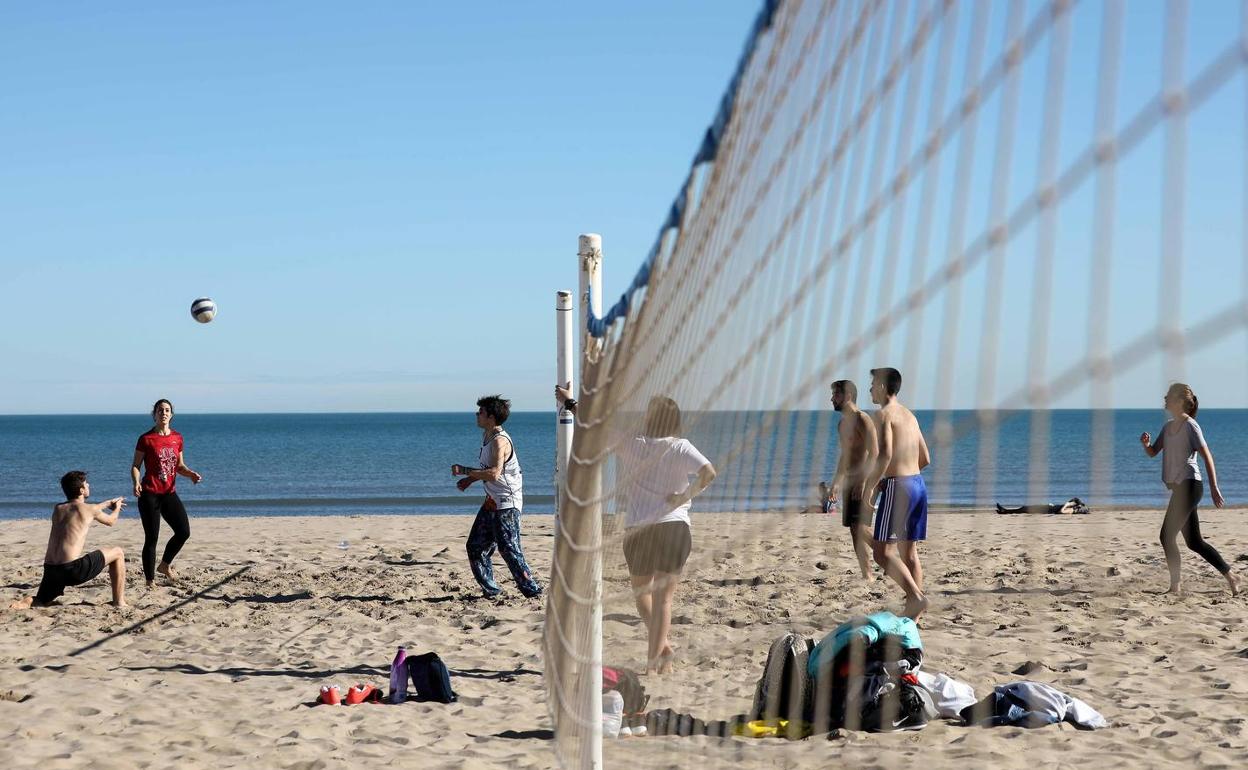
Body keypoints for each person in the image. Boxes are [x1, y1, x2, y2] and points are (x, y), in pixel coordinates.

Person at [615, 396, 716, 675]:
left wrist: (571, 404)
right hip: (673, 527)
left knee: (642, 596)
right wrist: (684, 496)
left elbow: (594, 426)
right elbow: (709, 473)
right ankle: (662, 650)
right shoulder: (680, 446)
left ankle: (653, 662)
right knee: (662, 600)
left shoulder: (631, 442)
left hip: (638, 529)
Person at [1140, 383, 1239, 596]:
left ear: (1178, 401)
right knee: (1195, 542)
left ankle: (1175, 587)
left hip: (1191, 485)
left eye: (1168, 396)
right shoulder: (1168, 427)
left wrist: (1214, 487)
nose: (1164, 399)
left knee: (1166, 536)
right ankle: (1232, 576)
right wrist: (1146, 444)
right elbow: (1153, 452)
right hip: (1180, 489)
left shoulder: (1191, 426)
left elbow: (1207, 456)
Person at [452, 395, 543, 599]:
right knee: (475, 546)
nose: (477, 415)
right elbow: (489, 470)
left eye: (481, 412)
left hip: (507, 502)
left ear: (491, 417)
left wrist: (465, 470)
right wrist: (470, 480)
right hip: (492, 501)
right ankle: (491, 590)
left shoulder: (500, 441)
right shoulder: (487, 437)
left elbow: (494, 473)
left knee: (509, 548)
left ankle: (533, 591)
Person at [864, 367, 930, 619]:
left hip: (899, 488)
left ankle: (916, 598)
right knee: (909, 553)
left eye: (872, 384)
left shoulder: (882, 415)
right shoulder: (910, 415)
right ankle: (913, 619)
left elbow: (885, 454)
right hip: (918, 484)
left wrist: (874, 484)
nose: (870, 389)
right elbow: (925, 457)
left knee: (882, 552)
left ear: (881, 386)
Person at [9, 471, 127, 609]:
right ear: (82, 490)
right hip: (72, 571)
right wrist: (117, 507)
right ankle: (119, 602)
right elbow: (111, 521)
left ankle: (25, 603)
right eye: (86, 483)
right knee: (118, 552)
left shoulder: (58, 508)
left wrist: (107, 503)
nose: (88, 484)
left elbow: (83, 508)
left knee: (41, 600)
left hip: (51, 570)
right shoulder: (90, 509)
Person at [131, 399, 201, 588]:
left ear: (171, 414)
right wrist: (136, 482)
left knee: (183, 531)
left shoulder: (177, 438)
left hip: (169, 493)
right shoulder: (146, 439)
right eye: (160, 410)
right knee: (152, 538)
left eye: (167, 410)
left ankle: (164, 565)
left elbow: (179, 466)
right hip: (149, 494)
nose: (164, 413)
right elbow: (136, 466)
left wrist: (190, 474)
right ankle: (149, 580)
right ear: (154, 414)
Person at [828, 379, 879, 581]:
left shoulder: (862, 419)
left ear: (847, 396)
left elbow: (875, 452)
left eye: (836, 395)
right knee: (854, 530)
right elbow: (845, 456)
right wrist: (837, 482)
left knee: (860, 528)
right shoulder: (842, 424)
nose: (832, 399)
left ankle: (886, 555)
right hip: (850, 481)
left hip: (864, 482)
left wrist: (864, 482)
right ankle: (867, 575)